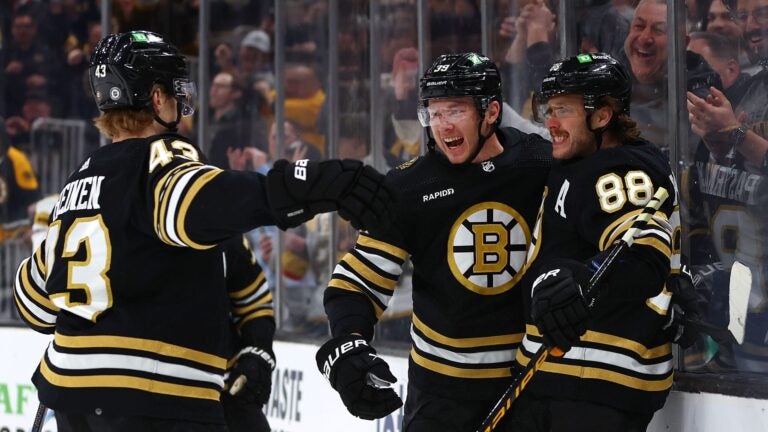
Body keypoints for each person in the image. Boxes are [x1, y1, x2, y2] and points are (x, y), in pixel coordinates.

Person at [12, 30, 390, 431]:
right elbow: (209, 201)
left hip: (69, 399)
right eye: (174, 92)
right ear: (157, 98)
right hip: (152, 399)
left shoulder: (79, 182)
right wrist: (314, 184)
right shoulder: (163, 156)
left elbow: (33, 304)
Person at [314, 52, 551, 431]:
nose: (441, 126)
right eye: (433, 113)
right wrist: (349, 342)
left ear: (491, 112)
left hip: (532, 382)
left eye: (454, 111)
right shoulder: (407, 186)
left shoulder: (542, 164)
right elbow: (358, 282)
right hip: (441, 396)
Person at [507, 53, 678, 432]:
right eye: (548, 110)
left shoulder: (620, 170)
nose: (550, 123)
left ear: (602, 116)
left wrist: (582, 277)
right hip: (561, 377)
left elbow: (643, 260)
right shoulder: (582, 162)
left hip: (595, 383)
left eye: (563, 111)